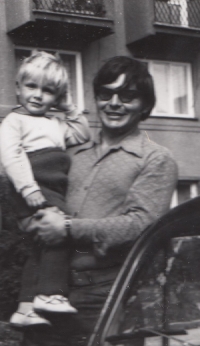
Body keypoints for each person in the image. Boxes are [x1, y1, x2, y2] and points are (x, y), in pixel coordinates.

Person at [19, 56, 178, 346]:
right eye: (106, 94)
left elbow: (141, 224)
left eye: (127, 96)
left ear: (145, 104)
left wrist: (67, 227)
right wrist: (31, 219)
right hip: (49, 289)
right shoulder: (70, 152)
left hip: (108, 295)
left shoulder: (156, 159)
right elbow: (40, 194)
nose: (114, 103)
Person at [0, 51, 90, 328]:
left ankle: (26, 308)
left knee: (39, 249)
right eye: (31, 86)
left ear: (57, 96)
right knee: (60, 234)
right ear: (18, 88)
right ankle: (50, 294)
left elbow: (83, 133)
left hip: (50, 188)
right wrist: (28, 189)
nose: (38, 95)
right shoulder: (14, 121)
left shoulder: (56, 123)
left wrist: (69, 107)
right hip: (35, 186)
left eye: (48, 90)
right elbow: (11, 156)